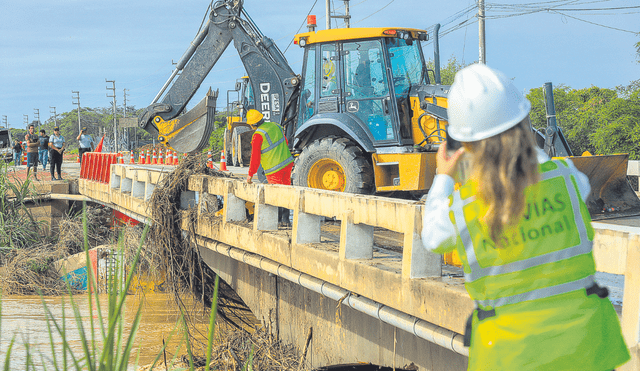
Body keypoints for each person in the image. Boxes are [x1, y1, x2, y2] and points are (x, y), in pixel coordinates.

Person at [421, 64, 630, 371]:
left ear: (464, 144)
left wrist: (444, 176)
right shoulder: (570, 179)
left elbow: (433, 238)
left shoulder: (463, 207)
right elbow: (541, 173)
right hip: (585, 348)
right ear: (524, 123)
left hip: (512, 356)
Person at [245, 109, 294, 223]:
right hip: (287, 164)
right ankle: (286, 220)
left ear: (252, 124)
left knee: (276, 194)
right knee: (285, 192)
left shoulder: (258, 135)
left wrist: (250, 174)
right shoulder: (276, 126)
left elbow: (255, 158)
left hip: (274, 169)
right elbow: (285, 142)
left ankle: (277, 221)